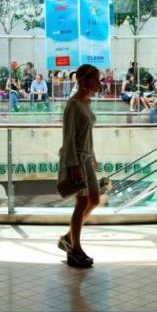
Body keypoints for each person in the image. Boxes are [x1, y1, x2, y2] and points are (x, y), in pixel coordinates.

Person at [57, 64, 102, 268]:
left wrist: (92, 156)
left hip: (86, 158)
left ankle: (68, 238)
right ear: (84, 81)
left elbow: (87, 135)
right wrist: (73, 164)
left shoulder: (87, 102)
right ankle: (75, 249)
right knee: (82, 203)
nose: (99, 83)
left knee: (94, 199)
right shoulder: (73, 104)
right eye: (96, 79)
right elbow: (68, 138)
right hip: (75, 159)